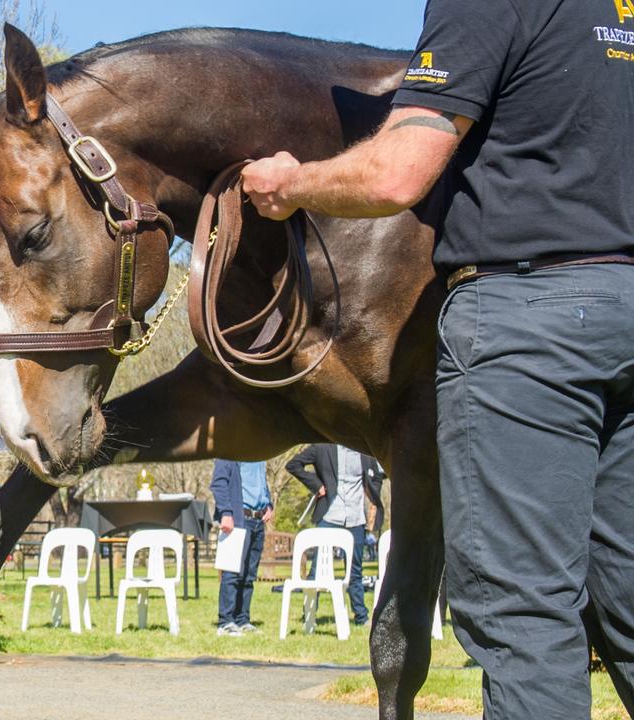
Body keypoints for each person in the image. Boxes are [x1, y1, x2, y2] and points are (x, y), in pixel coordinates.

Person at [242, 1, 634, 715]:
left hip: (529, 328)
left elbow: (397, 173)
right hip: (624, 311)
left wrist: (290, 186)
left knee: (525, 618)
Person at [285, 444, 385, 626]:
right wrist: (317, 485)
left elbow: (379, 474)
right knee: (317, 570)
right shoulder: (322, 447)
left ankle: (361, 617)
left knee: (355, 570)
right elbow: (293, 464)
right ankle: (309, 616)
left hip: (356, 518)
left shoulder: (365, 450)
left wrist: (372, 492)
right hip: (329, 516)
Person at [210, 459, 273, 636]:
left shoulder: (261, 453)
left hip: (258, 520)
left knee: (249, 575)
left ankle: (242, 619)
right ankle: (226, 621)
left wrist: (269, 504)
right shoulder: (229, 451)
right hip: (238, 519)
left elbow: (261, 482)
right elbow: (218, 483)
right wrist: (226, 513)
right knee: (232, 572)